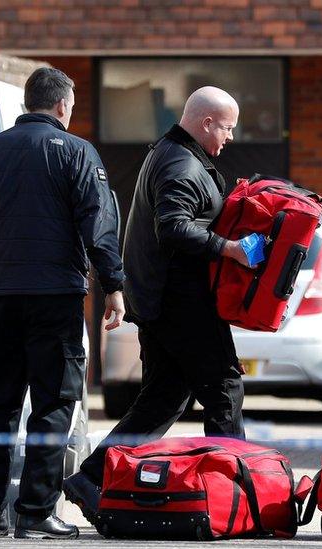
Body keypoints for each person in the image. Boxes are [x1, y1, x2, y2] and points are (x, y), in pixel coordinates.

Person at [64, 86, 251, 524]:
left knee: (162, 401)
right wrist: (231, 249)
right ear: (206, 122)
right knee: (225, 389)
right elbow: (173, 229)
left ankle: (90, 478)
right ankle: (238, 492)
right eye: (227, 128)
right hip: (179, 303)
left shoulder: (171, 154)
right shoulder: (181, 164)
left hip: (160, 301)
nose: (230, 138)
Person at [0, 67, 125, 539]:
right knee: (54, 403)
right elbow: (98, 226)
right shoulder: (75, 152)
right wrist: (113, 285)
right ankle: (34, 512)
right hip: (54, 296)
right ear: (62, 106)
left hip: (1, 296)